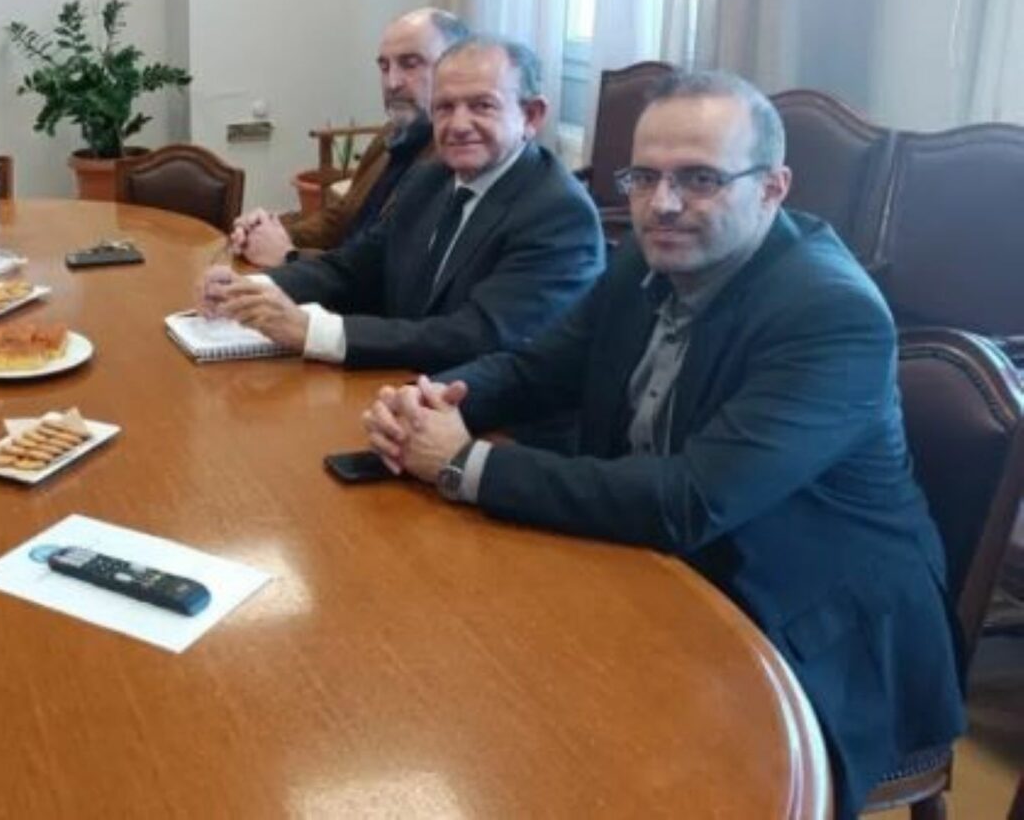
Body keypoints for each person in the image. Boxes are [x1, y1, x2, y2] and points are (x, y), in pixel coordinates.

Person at [362, 71, 964, 817]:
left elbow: (690, 499)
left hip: (812, 614)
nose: (663, 203)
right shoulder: (647, 255)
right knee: (457, 670)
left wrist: (462, 463)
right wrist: (435, 400)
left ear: (773, 188)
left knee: (583, 753)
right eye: (644, 178)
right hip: (670, 563)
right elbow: (537, 367)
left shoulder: (830, 314)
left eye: (700, 179)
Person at [198, 36, 603, 372]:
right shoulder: (430, 179)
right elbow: (354, 268)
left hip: (495, 423)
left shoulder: (558, 214)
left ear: (531, 116)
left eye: (482, 105)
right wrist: (251, 291)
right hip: (403, 386)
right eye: (444, 107)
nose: (459, 125)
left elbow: (477, 336)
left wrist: (312, 331)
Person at [228, 7, 470, 267]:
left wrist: (289, 255)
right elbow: (341, 219)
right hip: (328, 276)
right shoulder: (391, 135)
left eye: (410, 64)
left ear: (458, 70)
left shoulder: (457, 161)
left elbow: (389, 270)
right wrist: (271, 232)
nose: (392, 83)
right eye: (384, 66)